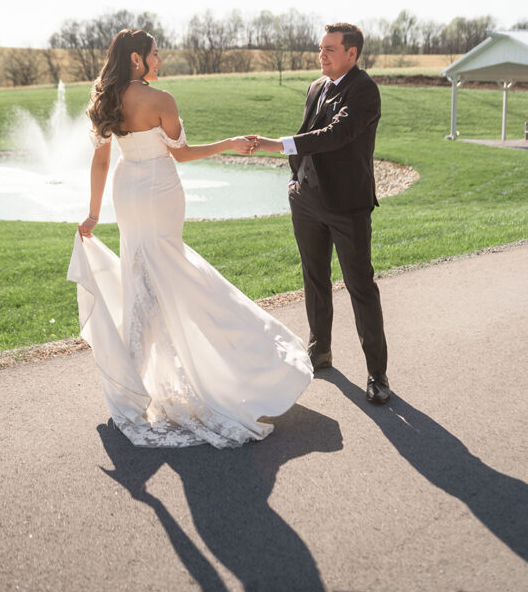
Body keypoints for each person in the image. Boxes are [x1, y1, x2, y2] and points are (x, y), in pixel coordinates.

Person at [68, 28, 313, 448]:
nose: (160, 60)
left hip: (126, 192)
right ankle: (223, 358)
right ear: (135, 59)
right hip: (160, 190)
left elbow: (101, 159)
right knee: (167, 271)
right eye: (155, 54)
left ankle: (134, 380)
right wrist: (231, 143)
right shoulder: (161, 100)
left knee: (142, 276)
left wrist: (93, 213)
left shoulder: (107, 98)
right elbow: (181, 153)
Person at [251, 23, 390, 405]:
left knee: (360, 287)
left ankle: (377, 375)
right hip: (307, 201)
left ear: (352, 53)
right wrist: (296, 180)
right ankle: (320, 350)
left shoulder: (363, 90)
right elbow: (308, 132)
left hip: (347, 207)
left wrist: (272, 144)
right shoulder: (316, 87)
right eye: (321, 48)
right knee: (314, 278)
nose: (322, 55)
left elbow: (334, 135)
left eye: (330, 49)